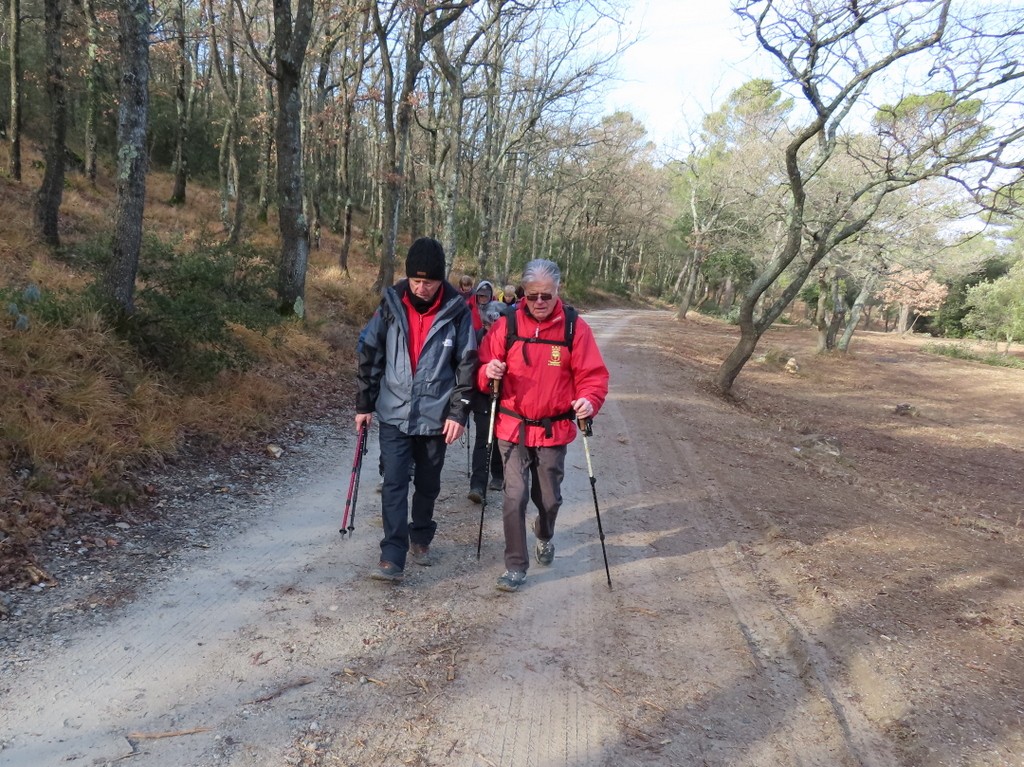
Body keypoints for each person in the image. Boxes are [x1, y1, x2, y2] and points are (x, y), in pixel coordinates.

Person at [477, 259, 609, 592]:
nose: (538, 302)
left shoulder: (574, 328)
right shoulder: (505, 324)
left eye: (545, 296)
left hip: (553, 430)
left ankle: (544, 533)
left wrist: (588, 400)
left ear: (557, 292)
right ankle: (515, 566)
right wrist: (487, 373)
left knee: (548, 499)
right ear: (523, 292)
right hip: (512, 427)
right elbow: (481, 367)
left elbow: (593, 376)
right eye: (532, 295)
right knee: (514, 496)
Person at [356, 238, 478, 581]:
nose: (422, 288)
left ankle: (421, 535)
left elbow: (467, 366)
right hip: (394, 411)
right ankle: (392, 555)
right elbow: (369, 351)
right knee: (394, 482)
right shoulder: (391, 304)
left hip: (436, 417)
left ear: (441, 280)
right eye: (416, 281)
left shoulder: (457, 311)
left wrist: (458, 414)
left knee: (427, 484)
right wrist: (364, 403)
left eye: (429, 282)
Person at [468, 300, 506, 503]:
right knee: (483, 439)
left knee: (501, 439)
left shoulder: (511, 339)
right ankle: (477, 485)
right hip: (482, 397)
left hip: (505, 399)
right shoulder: (476, 339)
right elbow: (470, 366)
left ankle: (498, 476)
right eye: (487, 324)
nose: (490, 328)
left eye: (494, 323)